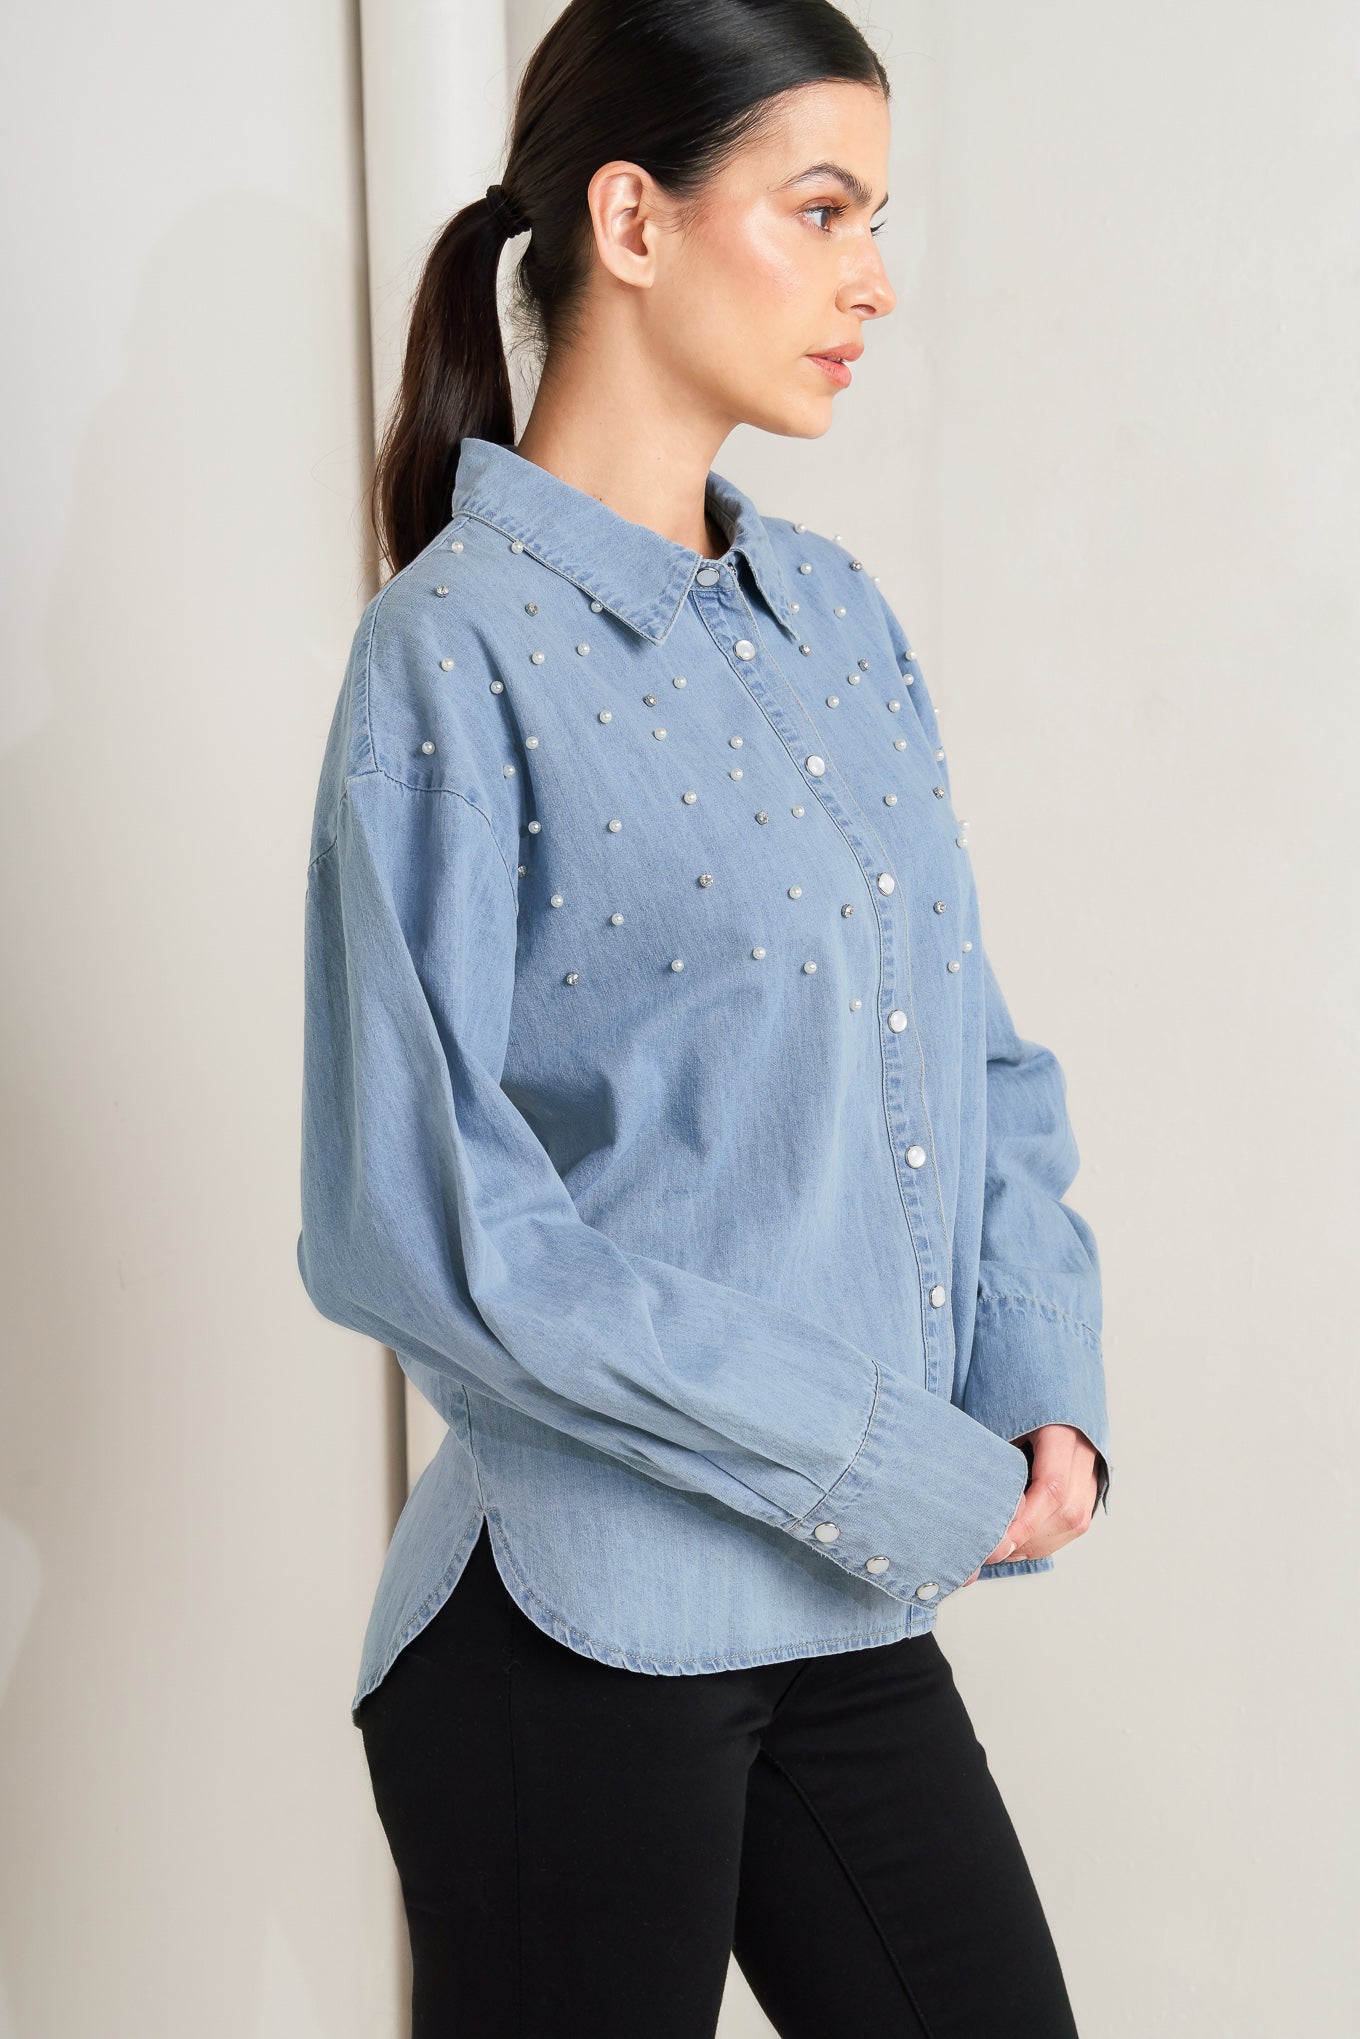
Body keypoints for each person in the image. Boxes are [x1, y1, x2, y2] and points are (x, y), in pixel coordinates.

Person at [296, 1, 1112, 2032]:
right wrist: (885, 1455)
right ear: (633, 222)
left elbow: (972, 1046)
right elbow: (427, 1227)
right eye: (821, 209)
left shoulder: (834, 620)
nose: (872, 277)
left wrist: (1040, 1383)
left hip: (834, 1594)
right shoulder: (450, 654)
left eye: (875, 219)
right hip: (577, 1632)